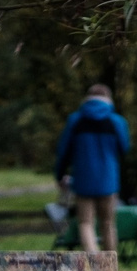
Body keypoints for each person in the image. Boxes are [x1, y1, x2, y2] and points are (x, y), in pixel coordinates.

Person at [54, 84, 130, 253]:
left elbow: (63, 151)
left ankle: (94, 264)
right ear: (108, 99)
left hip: (83, 179)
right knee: (108, 223)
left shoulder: (75, 120)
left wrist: (60, 174)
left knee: (85, 223)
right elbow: (124, 148)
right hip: (108, 179)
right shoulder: (117, 121)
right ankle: (111, 266)